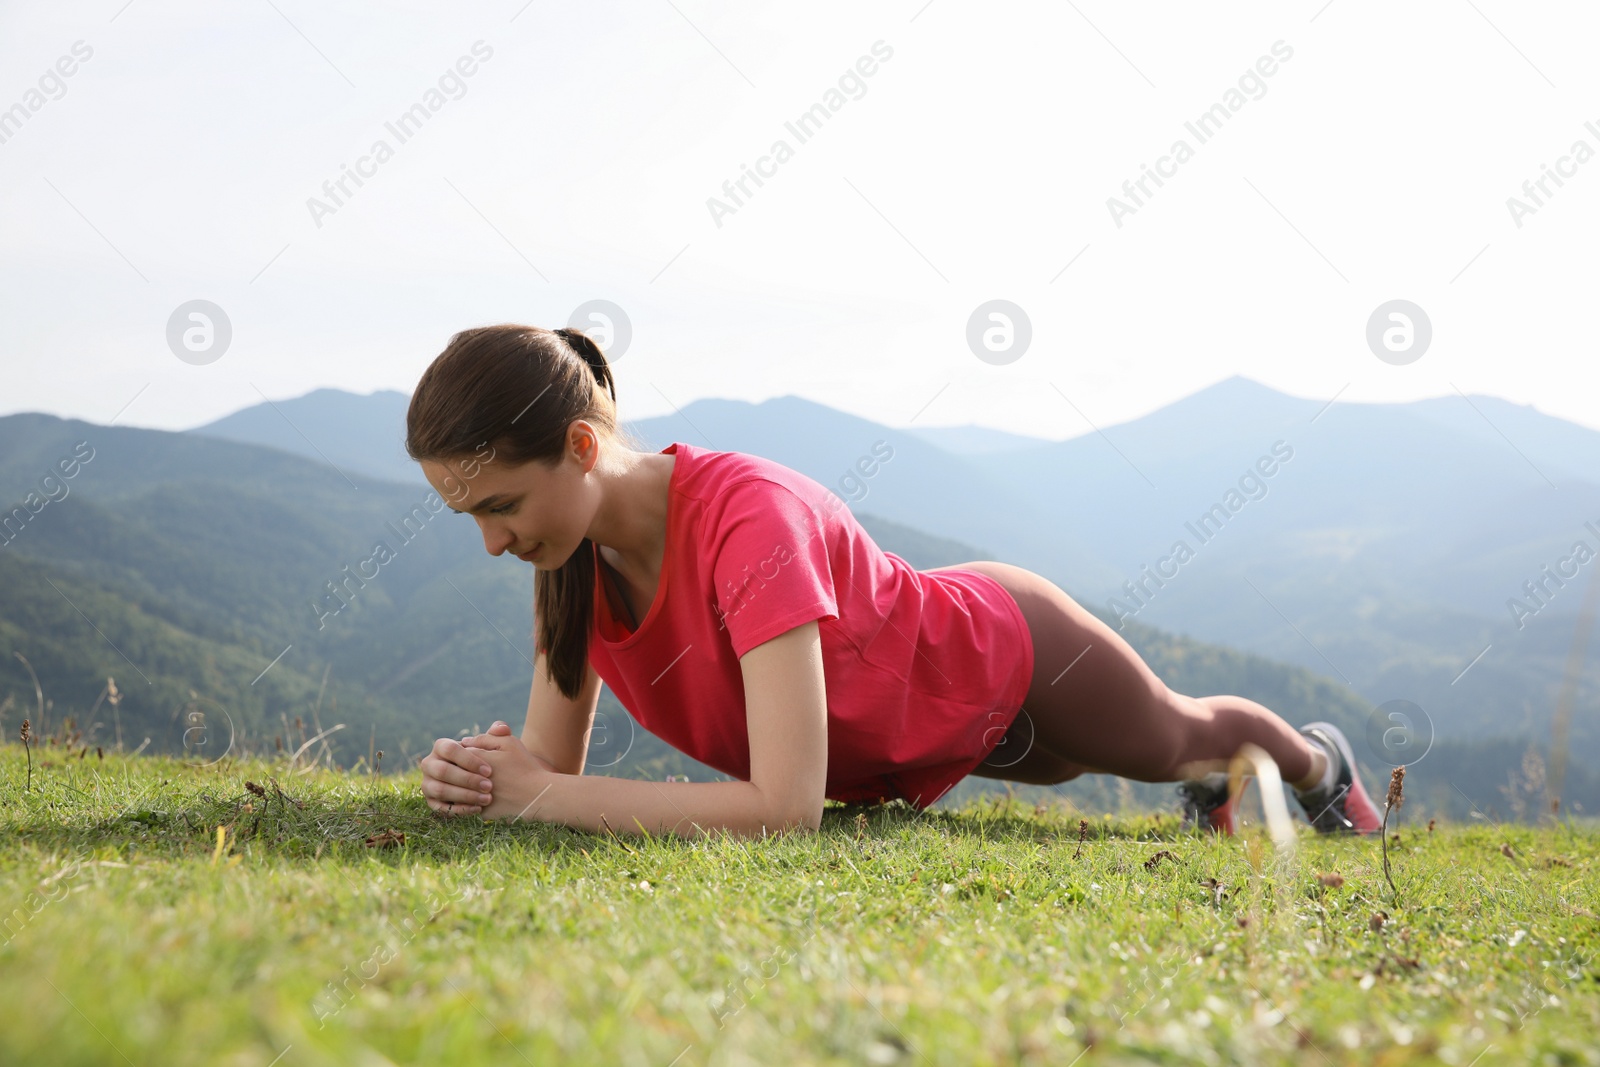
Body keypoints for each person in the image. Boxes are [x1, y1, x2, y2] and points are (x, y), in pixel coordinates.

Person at [408, 323, 1384, 839]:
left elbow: (783, 811)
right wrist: (486, 777)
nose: (492, 542)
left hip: (1009, 658)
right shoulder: (570, 572)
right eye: (471, 518)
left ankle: (1317, 767)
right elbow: (547, 766)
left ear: (581, 446)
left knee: (1181, 736)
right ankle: (1218, 791)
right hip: (923, 738)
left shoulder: (749, 519)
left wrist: (533, 796)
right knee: (1074, 767)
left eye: (499, 505)